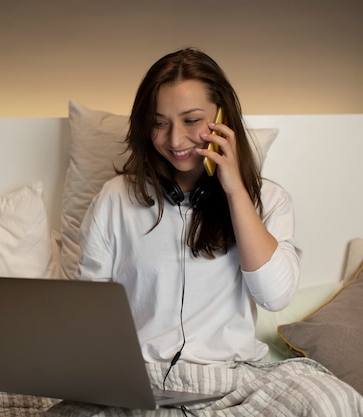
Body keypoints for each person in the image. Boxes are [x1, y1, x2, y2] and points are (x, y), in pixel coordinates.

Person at [76, 47, 301, 366]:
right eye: (159, 123)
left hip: (229, 375)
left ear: (223, 117)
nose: (176, 140)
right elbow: (87, 311)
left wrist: (236, 191)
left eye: (192, 120)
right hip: (141, 374)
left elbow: (275, 297)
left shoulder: (269, 201)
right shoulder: (114, 198)